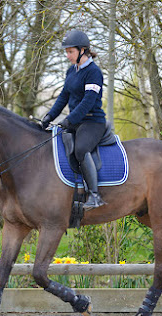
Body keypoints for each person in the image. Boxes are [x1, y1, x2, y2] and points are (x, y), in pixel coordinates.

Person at [42, 30, 107, 210]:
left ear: (83, 50)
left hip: (93, 122)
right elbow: (63, 97)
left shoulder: (94, 72)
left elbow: (88, 102)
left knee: (80, 149)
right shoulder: (71, 71)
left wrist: (69, 120)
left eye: (70, 51)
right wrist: (49, 117)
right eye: (66, 51)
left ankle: (95, 195)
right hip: (75, 121)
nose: (67, 55)